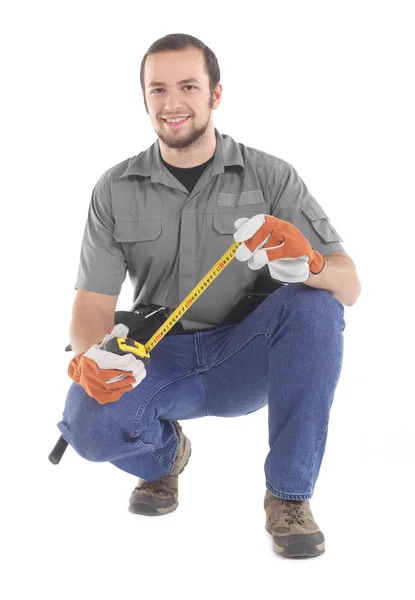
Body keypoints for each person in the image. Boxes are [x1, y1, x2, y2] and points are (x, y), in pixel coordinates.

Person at [58, 33, 361, 559]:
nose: (172, 102)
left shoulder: (271, 175)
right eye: (158, 90)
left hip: (246, 354)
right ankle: (164, 459)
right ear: (145, 98)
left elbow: (349, 284)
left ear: (215, 94)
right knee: (89, 426)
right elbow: (92, 303)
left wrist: (311, 264)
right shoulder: (114, 188)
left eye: (188, 86)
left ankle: (289, 498)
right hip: (158, 357)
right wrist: (90, 357)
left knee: (316, 305)